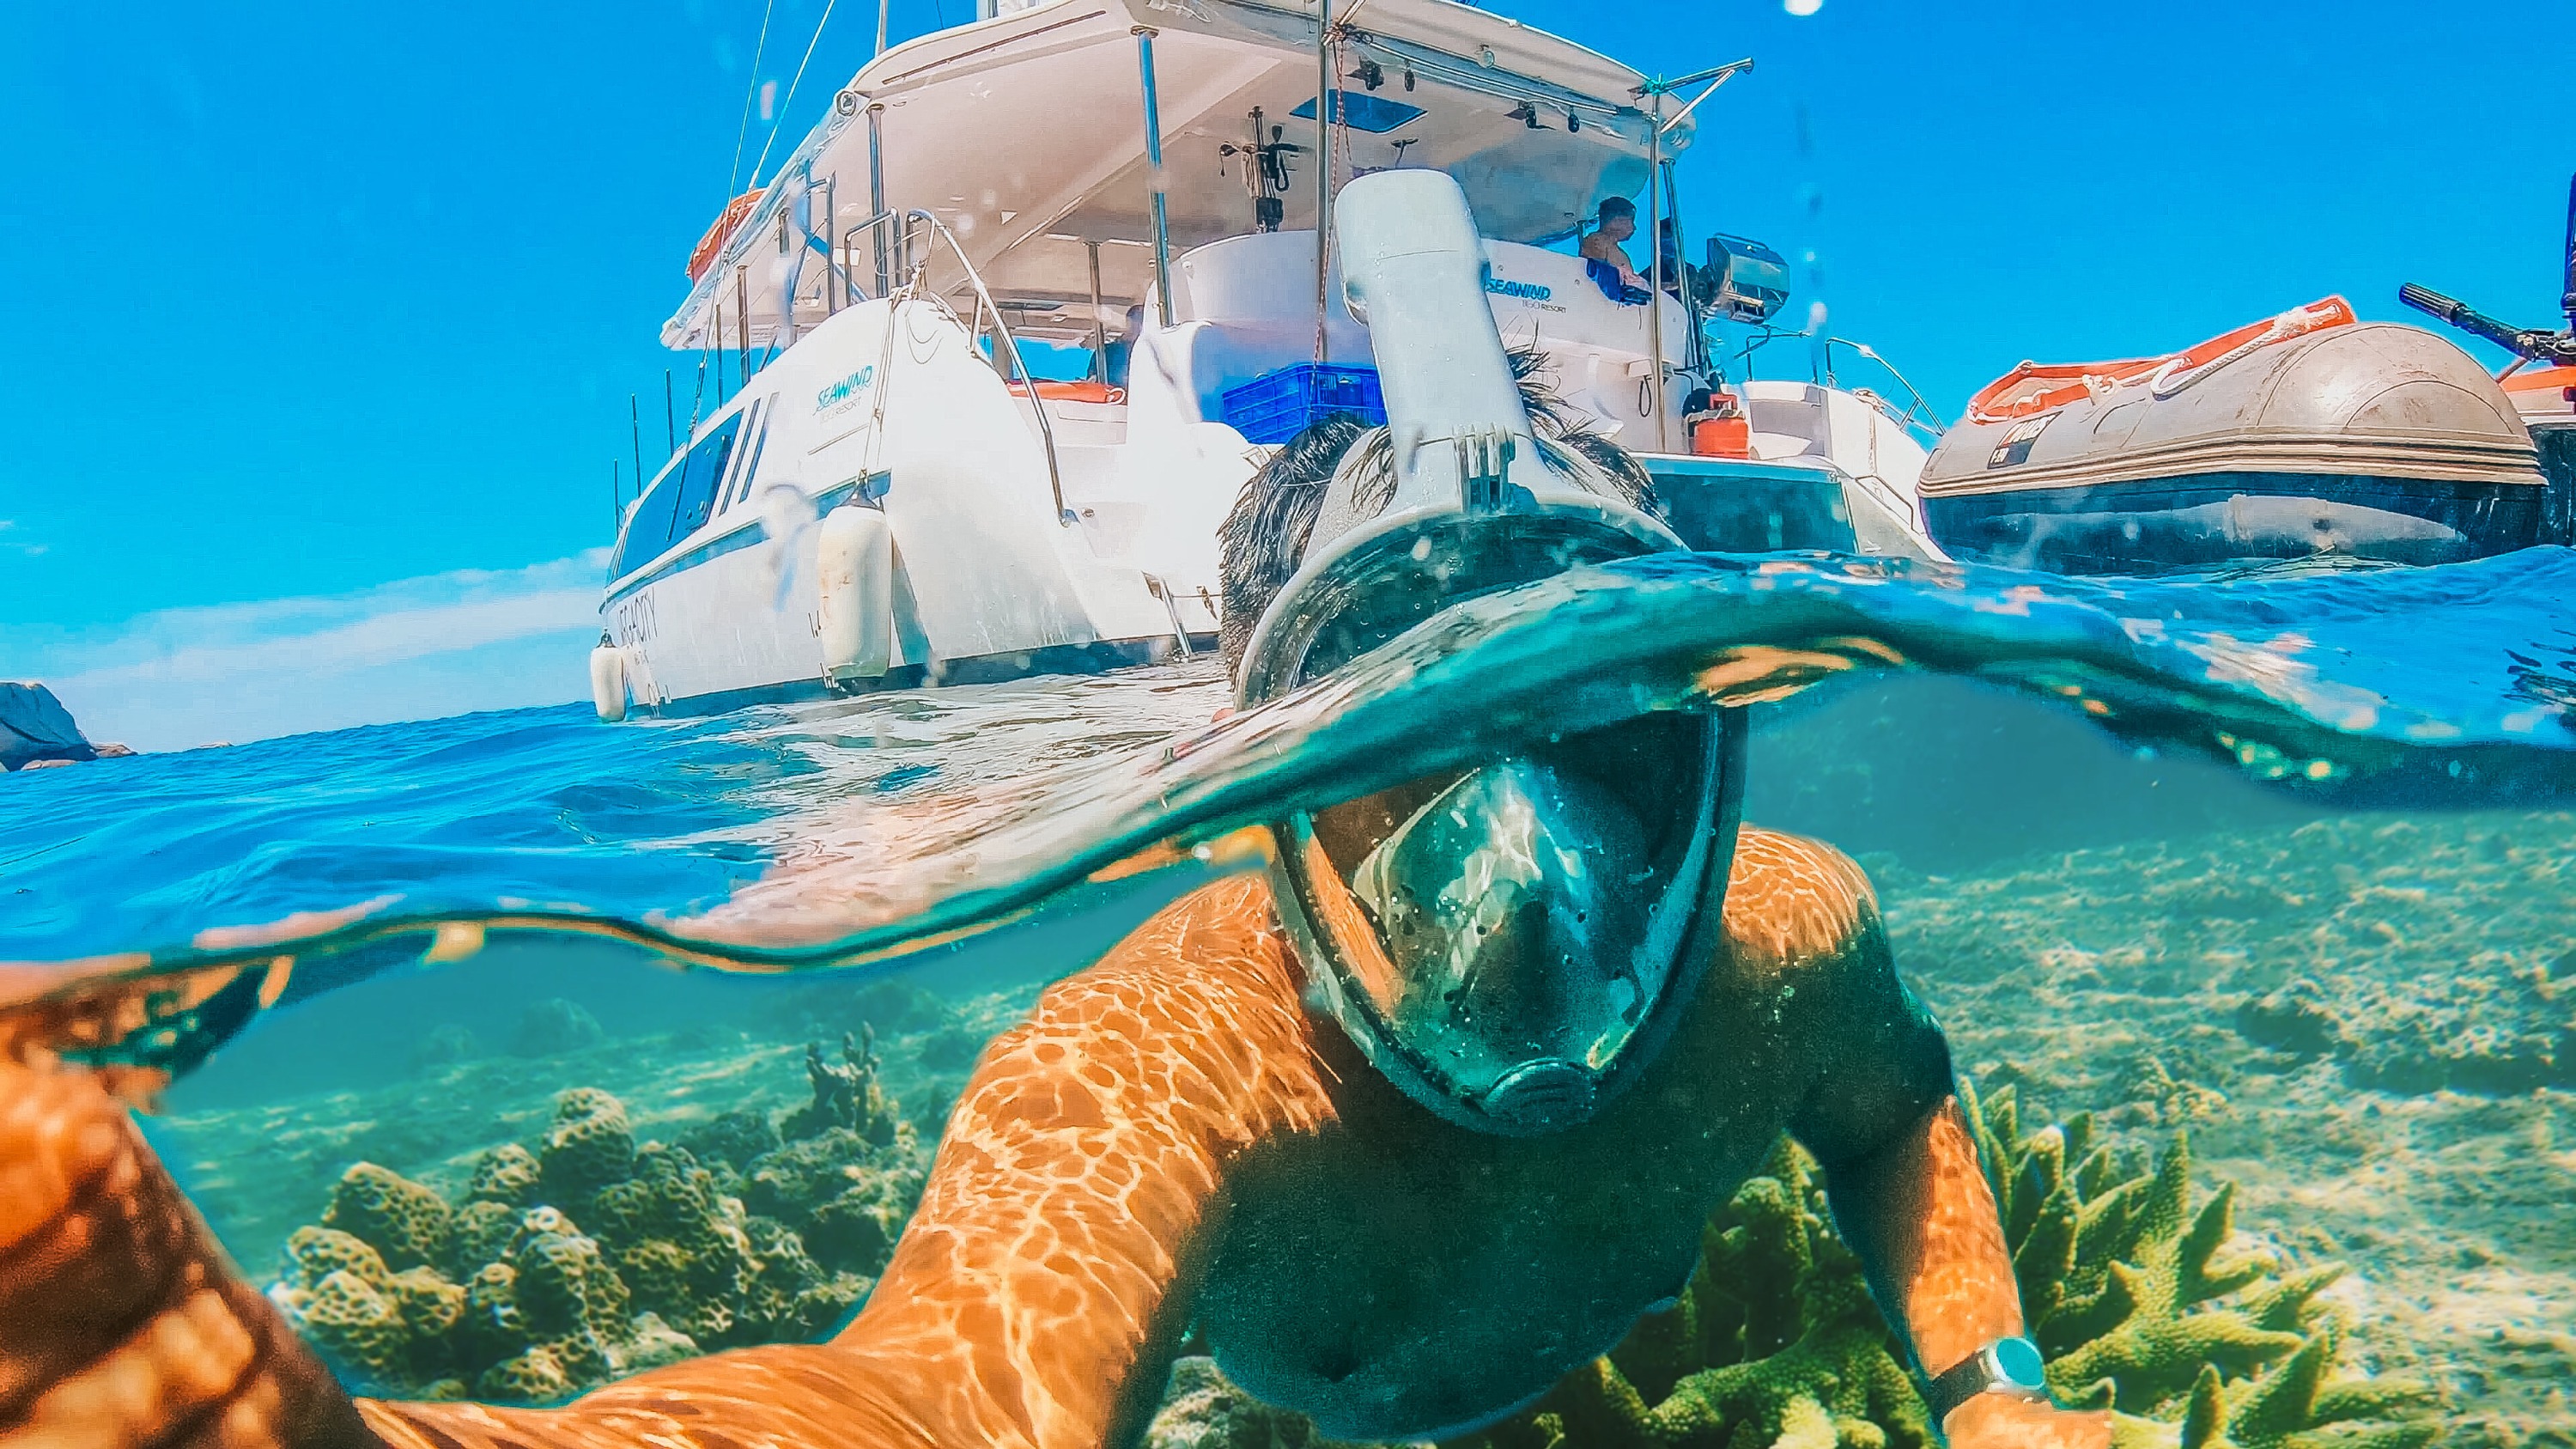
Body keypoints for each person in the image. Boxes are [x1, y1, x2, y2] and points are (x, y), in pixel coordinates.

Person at [0, 175, 2113, 1448]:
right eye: (1400, 755)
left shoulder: (1791, 935)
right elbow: (918, 1406)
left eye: (1610, 735)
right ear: (1259, 808)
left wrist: (1994, 1384)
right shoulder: (1148, 1076)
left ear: (1719, 730)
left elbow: (1892, 1108)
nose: (1530, 868)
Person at [1578, 195, 1650, 297]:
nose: (1634, 228)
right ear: (1617, 221)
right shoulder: (1597, 241)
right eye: (1630, 222)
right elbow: (1596, 277)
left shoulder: (1617, 250)